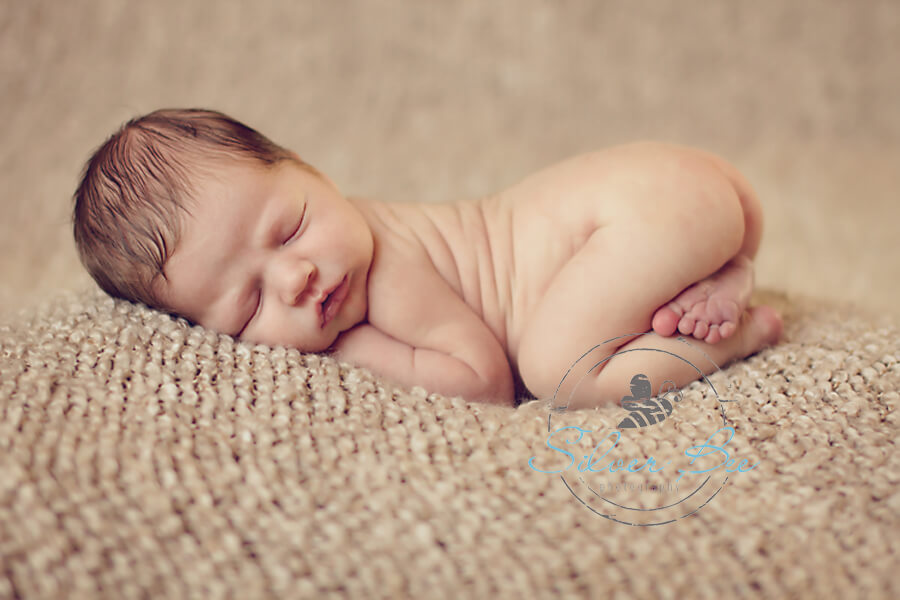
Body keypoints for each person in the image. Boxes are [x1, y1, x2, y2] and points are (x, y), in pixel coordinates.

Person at [72, 109, 782, 408]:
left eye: (290, 229)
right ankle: (720, 271)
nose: (296, 278)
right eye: (250, 306)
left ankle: (740, 333)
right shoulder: (339, 248)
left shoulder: (385, 267)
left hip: (644, 206)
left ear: (313, 172)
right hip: (674, 198)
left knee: (555, 368)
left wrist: (348, 351)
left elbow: (483, 382)